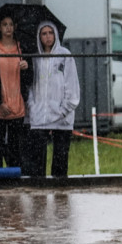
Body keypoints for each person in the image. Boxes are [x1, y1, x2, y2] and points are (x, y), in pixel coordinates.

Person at [25, 21, 80, 177]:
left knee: (60, 159)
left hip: (62, 117)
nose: (48, 37)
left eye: (51, 33)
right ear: (39, 36)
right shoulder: (34, 58)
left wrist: (63, 110)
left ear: (56, 34)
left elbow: (72, 85)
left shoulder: (65, 55)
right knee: (37, 161)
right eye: (44, 33)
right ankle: (39, 194)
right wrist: (32, 106)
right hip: (39, 116)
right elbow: (30, 85)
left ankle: (60, 192)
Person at [0, 15, 33, 169]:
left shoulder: (22, 49)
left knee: (15, 146)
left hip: (17, 106)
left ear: (15, 27)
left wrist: (27, 69)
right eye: (4, 24)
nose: (8, 28)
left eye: (11, 24)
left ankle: (15, 179)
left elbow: (29, 80)